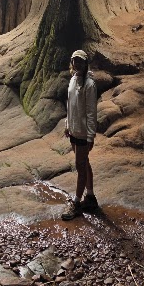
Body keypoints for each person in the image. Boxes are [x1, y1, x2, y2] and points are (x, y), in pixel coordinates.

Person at [62, 48, 99, 219]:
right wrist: (67, 124)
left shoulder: (89, 85)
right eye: (74, 60)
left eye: (80, 61)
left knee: (80, 166)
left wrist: (91, 136)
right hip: (74, 130)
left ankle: (76, 203)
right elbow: (70, 105)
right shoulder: (73, 80)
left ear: (85, 63)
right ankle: (90, 197)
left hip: (84, 133)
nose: (77, 64)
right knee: (84, 163)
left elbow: (91, 112)